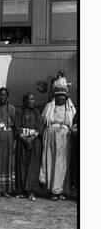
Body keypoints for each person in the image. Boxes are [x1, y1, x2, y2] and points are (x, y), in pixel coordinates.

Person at [40, 72, 76, 201]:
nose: (61, 98)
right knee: (51, 161)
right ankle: (52, 191)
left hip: (65, 138)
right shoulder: (50, 107)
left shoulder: (70, 109)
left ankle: (59, 190)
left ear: (66, 97)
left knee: (62, 163)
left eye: (63, 96)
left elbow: (73, 122)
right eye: (58, 96)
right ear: (55, 97)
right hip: (51, 138)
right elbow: (44, 121)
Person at [14, 92, 44, 201]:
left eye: (34, 99)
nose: (33, 101)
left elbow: (40, 127)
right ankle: (23, 191)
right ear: (25, 101)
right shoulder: (19, 112)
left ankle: (32, 192)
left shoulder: (37, 112)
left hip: (35, 142)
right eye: (31, 99)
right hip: (22, 142)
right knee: (22, 165)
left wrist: (31, 138)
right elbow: (17, 128)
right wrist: (25, 139)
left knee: (33, 166)